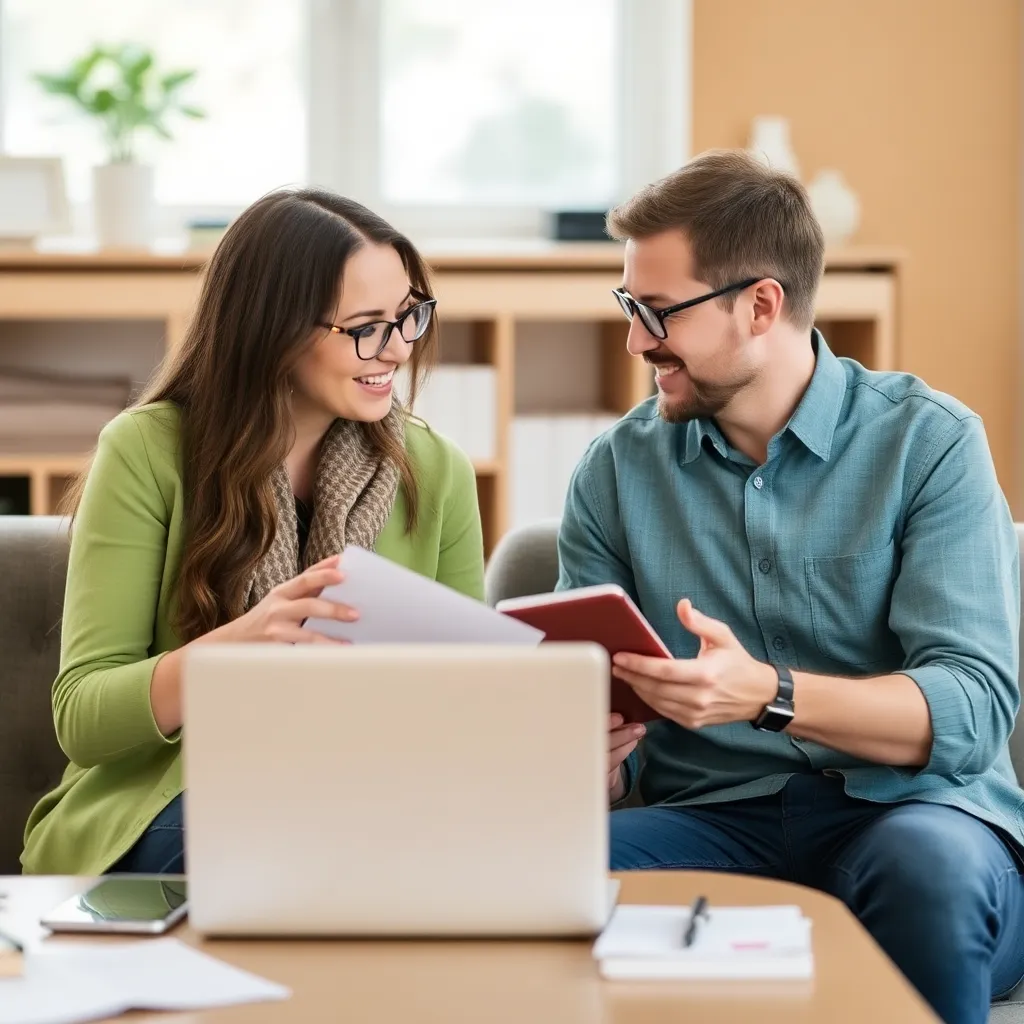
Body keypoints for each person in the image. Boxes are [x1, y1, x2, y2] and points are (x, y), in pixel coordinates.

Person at [559, 149, 1024, 1024]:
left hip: (915, 816)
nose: (634, 341)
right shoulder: (615, 471)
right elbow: (585, 718)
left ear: (760, 306)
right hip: (713, 819)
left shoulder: (930, 444)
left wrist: (767, 696)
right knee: (543, 876)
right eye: (628, 307)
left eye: (656, 311)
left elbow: (969, 710)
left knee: (930, 877)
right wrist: (590, 757)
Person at [21, 188, 484, 877]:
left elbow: (476, 694)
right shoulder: (147, 451)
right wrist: (237, 646)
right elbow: (84, 718)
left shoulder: (433, 468)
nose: (396, 349)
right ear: (275, 329)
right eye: (365, 326)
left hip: (371, 793)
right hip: (172, 804)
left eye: (408, 316)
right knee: (274, 836)